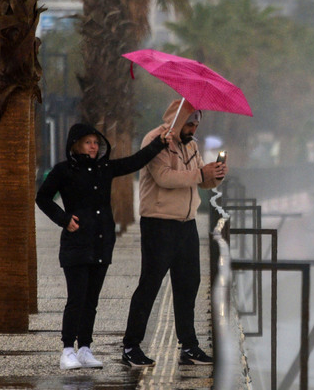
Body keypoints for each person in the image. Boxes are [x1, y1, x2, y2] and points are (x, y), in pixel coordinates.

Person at [36, 123, 168, 370]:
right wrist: (64, 219)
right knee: (76, 297)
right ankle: (67, 350)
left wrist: (159, 143)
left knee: (91, 300)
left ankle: (85, 348)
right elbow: (42, 198)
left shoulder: (104, 168)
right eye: (88, 142)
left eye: (96, 142)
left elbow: (134, 162)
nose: (93, 147)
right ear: (76, 145)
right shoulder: (63, 170)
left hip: (101, 242)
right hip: (76, 243)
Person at [121, 98, 227, 368]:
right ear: (178, 120)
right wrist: (200, 173)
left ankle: (189, 345)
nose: (193, 129)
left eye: (196, 125)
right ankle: (131, 346)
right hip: (159, 223)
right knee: (150, 284)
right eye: (190, 124)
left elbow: (200, 181)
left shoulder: (191, 145)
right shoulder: (156, 140)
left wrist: (214, 175)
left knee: (189, 284)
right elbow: (164, 177)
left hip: (186, 223)